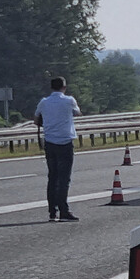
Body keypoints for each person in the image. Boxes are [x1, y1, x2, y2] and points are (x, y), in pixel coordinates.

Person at [34, 77, 82, 222]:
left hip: (50, 142)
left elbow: (36, 120)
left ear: (51, 88)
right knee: (64, 178)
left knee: (52, 177)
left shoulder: (43, 102)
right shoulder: (69, 101)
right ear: (64, 87)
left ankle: (52, 212)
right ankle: (64, 211)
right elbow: (77, 113)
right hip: (65, 142)